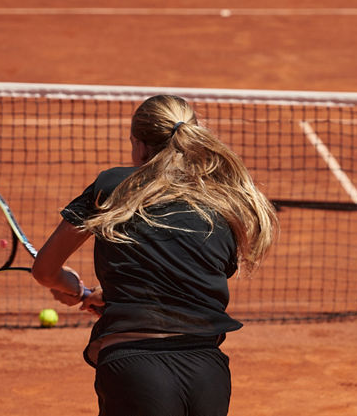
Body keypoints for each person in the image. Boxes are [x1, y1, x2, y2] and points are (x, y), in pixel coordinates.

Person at [31, 94, 279, 416]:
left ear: (140, 145)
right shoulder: (224, 201)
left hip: (134, 370)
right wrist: (120, 297)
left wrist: (74, 289)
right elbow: (186, 279)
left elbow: (45, 271)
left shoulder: (111, 186)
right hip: (207, 372)